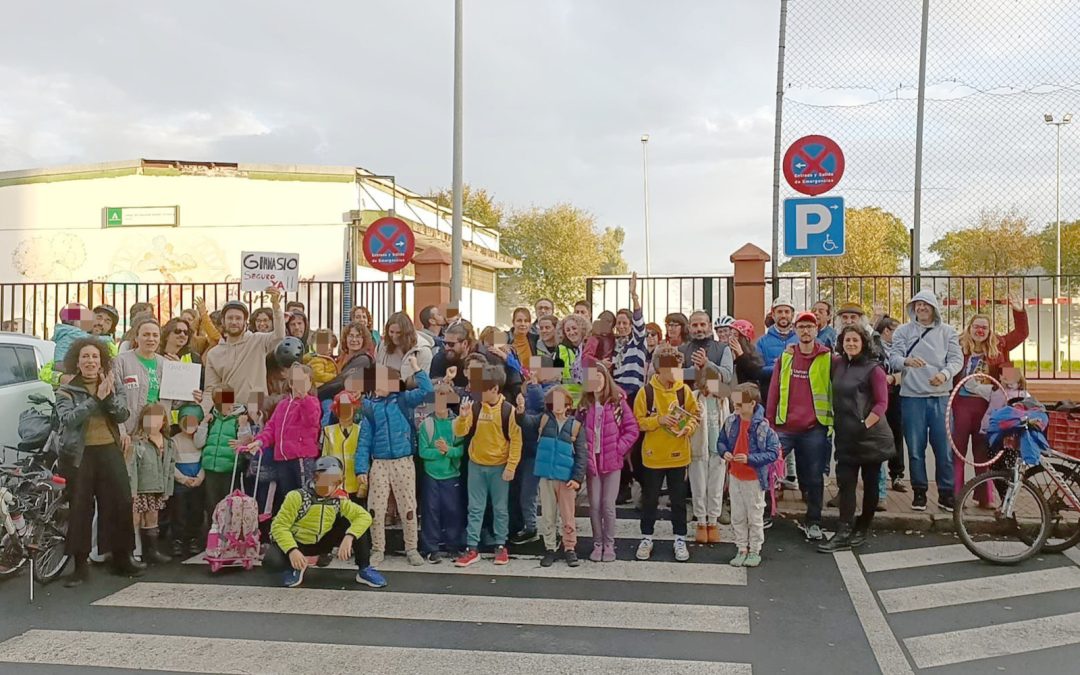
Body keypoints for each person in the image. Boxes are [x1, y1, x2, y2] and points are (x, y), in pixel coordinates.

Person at [56, 338, 143, 586]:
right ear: (77, 361)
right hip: (79, 456)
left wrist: (107, 396)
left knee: (120, 502)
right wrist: (95, 399)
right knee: (81, 508)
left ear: (101, 360)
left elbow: (123, 415)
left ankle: (121, 558)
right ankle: (80, 566)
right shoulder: (66, 389)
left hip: (108, 450)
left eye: (94, 357)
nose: (90, 361)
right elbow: (68, 420)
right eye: (85, 357)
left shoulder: (112, 385)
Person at [819, 325, 895, 552]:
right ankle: (843, 531)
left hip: (871, 436)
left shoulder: (874, 369)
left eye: (855, 340)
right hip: (845, 436)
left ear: (863, 342)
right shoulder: (837, 364)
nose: (850, 344)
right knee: (846, 483)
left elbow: (882, 403)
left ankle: (863, 526)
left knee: (871, 485)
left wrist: (865, 424)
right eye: (847, 340)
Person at [888, 291, 963, 512]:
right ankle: (919, 492)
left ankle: (946, 494)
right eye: (917, 305)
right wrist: (907, 361)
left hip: (940, 397)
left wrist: (945, 374)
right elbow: (893, 358)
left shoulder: (947, 331)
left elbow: (956, 359)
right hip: (912, 398)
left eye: (925, 305)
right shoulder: (903, 331)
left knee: (944, 449)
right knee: (915, 448)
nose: (921, 308)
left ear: (933, 308)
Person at [355, 358, 433, 567]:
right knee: (376, 509)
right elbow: (364, 440)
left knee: (408, 506)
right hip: (379, 463)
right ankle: (377, 548)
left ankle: (412, 548)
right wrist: (361, 468)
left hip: (403, 461)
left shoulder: (403, 400)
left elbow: (427, 391)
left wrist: (417, 368)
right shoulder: (370, 408)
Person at [765, 311, 833, 542]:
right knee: (766, 469)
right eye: (802, 327)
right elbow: (775, 388)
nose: (806, 331)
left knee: (813, 477)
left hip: (814, 427)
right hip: (784, 427)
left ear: (816, 330)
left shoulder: (827, 357)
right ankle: (764, 513)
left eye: (810, 327)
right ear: (795, 331)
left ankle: (813, 521)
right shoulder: (786, 358)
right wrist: (770, 421)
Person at [952, 301, 1029, 504]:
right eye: (976, 326)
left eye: (984, 327)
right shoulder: (958, 345)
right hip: (960, 404)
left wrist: (1019, 311)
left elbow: (1021, 333)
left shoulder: (999, 344)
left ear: (989, 330)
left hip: (986, 407)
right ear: (969, 328)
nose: (980, 331)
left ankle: (985, 497)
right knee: (958, 452)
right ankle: (956, 497)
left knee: (982, 454)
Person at [266, 456, 382, 589]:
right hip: (299, 542)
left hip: (323, 540)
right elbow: (279, 526)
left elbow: (364, 516)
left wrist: (350, 536)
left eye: (334, 482)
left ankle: (364, 569)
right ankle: (295, 566)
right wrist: (292, 550)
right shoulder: (297, 496)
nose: (329, 487)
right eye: (326, 481)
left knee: (356, 524)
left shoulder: (338, 499)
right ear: (316, 478)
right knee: (272, 561)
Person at [633, 344, 699, 562]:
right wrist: (658, 420)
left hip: (679, 455)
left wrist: (687, 428)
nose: (676, 373)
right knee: (650, 499)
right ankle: (646, 537)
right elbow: (638, 422)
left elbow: (694, 415)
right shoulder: (646, 392)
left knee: (678, 500)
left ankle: (680, 538)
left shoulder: (684, 391)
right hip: (653, 456)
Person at [452, 363, 523, 567]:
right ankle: (472, 547)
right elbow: (460, 432)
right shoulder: (474, 407)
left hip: (499, 466)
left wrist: (511, 466)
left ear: (494, 389)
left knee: (500, 509)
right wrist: (462, 417)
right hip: (476, 464)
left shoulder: (508, 410)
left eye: (483, 388)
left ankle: (501, 545)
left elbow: (516, 440)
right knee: (475, 508)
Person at [717, 383, 780, 568]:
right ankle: (742, 548)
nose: (735, 406)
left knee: (754, 516)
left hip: (753, 478)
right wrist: (724, 452)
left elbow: (773, 452)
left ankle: (754, 550)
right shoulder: (730, 421)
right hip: (735, 476)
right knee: (738, 515)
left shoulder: (763, 427)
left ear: (752, 404)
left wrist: (750, 458)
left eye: (739, 403)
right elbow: (721, 441)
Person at [582, 363, 639, 562]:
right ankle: (597, 542)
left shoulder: (617, 403)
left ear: (606, 379)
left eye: (600, 377)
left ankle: (609, 543)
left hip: (612, 461)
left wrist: (619, 448)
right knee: (594, 504)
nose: (597, 382)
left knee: (608, 505)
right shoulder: (584, 405)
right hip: (593, 462)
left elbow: (632, 429)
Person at [241, 363, 322, 500]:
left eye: (303, 381)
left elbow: (312, 420)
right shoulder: (282, 405)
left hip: (301, 458)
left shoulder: (312, 402)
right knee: (288, 496)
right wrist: (260, 441)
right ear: (290, 383)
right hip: (283, 459)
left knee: (304, 495)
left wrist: (304, 398)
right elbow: (271, 427)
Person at [531, 386, 587, 568]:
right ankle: (550, 548)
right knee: (548, 515)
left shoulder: (576, 426)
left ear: (568, 405)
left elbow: (581, 455)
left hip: (566, 478)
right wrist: (521, 410)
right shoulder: (544, 420)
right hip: (546, 476)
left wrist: (577, 478)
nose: (557, 406)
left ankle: (569, 547)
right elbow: (526, 422)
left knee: (567, 515)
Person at [203, 288, 286, 403]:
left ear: (245, 322)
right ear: (223, 321)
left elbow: (279, 337)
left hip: (257, 409)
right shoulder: (214, 354)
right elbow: (210, 390)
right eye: (230, 318)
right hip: (229, 413)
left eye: (238, 318)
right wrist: (205, 416)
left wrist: (276, 306)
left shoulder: (257, 340)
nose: (234, 322)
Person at [418, 377, 467, 562]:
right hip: (431, 474)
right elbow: (423, 451)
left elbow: (461, 450)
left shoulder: (456, 424)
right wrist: (441, 452)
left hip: (451, 473)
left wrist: (448, 451)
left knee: (452, 510)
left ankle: (453, 545)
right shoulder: (426, 425)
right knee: (430, 510)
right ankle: (431, 547)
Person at [114, 318, 184, 447]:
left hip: (158, 433)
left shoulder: (166, 365)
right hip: (130, 435)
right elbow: (113, 400)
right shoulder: (121, 361)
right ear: (136, 338)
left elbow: (175, 403)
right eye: (146, 335)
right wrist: (121, 431)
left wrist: (190, 393)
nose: (150, 339)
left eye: (155, 335)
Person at [127, 403, 177, 565]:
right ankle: (132, 552)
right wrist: (132, 491)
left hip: (157, 488)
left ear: (163, 421)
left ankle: (152, 551)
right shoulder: (138, 442)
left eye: (158, 419)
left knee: (152, 518)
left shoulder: (169, 443)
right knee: (134, 518)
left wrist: (168, 490)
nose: (154, 423)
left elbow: (170, 468)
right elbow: (131, 468)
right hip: (140, 488)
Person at [756, 298, 798, 486]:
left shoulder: (801, 338)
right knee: (774, 441)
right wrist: (780, 366)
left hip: (798, 398)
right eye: (779, 312)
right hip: (771, 398)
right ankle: (774, 483)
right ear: (773, 315)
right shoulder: (763, 342)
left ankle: (797, 480)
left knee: (799, 442)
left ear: (792, 315)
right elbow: (758, 369)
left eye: (786, 312)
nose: (783, 315)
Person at [195, 385, 252, 520]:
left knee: (231, 507)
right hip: (210, 469)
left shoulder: (241, 418)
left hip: (230, 470)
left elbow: (247, 444)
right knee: (211, 506)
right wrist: (203, 423)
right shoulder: (211, 417)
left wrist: (243, 426)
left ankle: (229, 537)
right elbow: (198, 443)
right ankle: (213, 536)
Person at [690, 364, 730, 544]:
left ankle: (712, 522)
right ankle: (700, 521)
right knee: (699, 486)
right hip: (698, 449)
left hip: (719, 451)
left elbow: (729, 424)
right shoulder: (694, 396)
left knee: (716, 488)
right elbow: (685, 420)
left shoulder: (724, 400)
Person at [169, 404, 205, 558]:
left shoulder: (201, 442)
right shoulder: (174, 441)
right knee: (179, 513)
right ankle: (177, 539)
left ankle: (193, 539)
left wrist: (199, 478)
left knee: (196, 513)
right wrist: (183, 480)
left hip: (197, 484)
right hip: (180, 486)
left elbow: (204, 462)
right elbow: (170, 465)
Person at [875, 315, 906, 492]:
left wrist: (895, 379)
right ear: (887, 331)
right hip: (878, 396)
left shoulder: (902, 348)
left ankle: (897, 475)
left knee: (896, 433)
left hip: (896, 395)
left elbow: (907, 370)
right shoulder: (874, 345)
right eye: (897, 331)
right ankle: (875, 477)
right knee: (876, 435)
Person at [612, 272, 648, 401]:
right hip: (617, 393)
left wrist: (634, 296)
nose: (621, 326)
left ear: (631, 325)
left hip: (634, 392)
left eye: (625, 323)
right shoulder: (614, 344)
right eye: (618, 323)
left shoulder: (637, 340)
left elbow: (638, 319)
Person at [376, 312, 434, 383]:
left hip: (412, 392)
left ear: (407, 332)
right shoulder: (382, 345)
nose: (394, 336)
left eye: (398, 333)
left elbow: (423, 381)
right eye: (391, 332)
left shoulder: (423, 350)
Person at [680, 310, 734, 384]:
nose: (699, 329)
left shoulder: (723, 349)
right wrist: (693, 373)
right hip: (688, 394)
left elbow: (727, 376)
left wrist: (707, 364)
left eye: (702, 325)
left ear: (709, 326)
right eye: (695, 325)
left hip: (715, 394)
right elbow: (673, 375)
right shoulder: (681, 350)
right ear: (689, 328)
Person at [729, 320, 764, 386]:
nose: (731, 338)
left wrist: (741, 355)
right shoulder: (726, 352)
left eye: (735, 335)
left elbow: (756, 374)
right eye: (731, 334)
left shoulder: (753, 355)